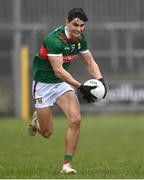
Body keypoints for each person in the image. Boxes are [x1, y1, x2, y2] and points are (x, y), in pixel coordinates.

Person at [28, 8, 107, 174]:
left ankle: (66, 165)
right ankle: (36, 121)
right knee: (48, 132)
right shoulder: (54, 40)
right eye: (75, 24)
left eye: (82, 25)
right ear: (67, 22)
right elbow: (58, 70)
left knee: (76, 119)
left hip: (61, 84)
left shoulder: (80, 40)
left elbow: (90, 62)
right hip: (43, 85)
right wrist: (81, 87)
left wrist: (101, 81)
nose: (78, 29)